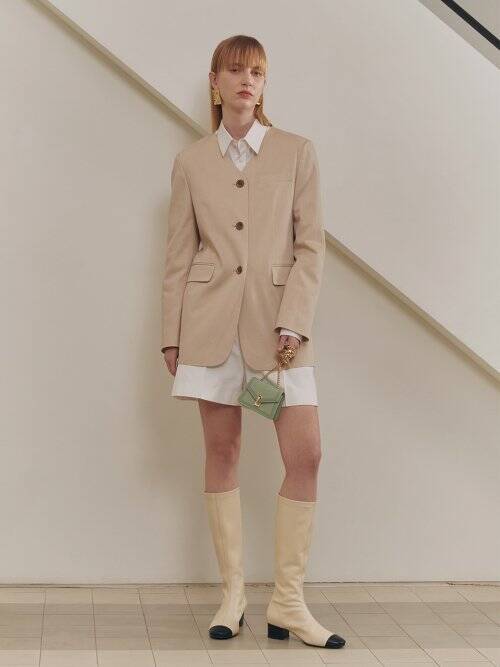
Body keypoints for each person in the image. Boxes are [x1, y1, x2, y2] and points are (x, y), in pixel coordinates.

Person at [161, 35, 346, 650]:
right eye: (236, 70)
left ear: (265, 84)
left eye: (257, 72)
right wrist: (171, 335)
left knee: (306, 454)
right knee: (223, 451)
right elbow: (178, 255)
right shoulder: (191, 162)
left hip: (279, 332)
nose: (247, 80)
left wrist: (295, 319)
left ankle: (288, 602)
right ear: (215, 82)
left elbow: (311, 245)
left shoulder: (296, 152)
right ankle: (234, 594)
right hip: (209, 327)